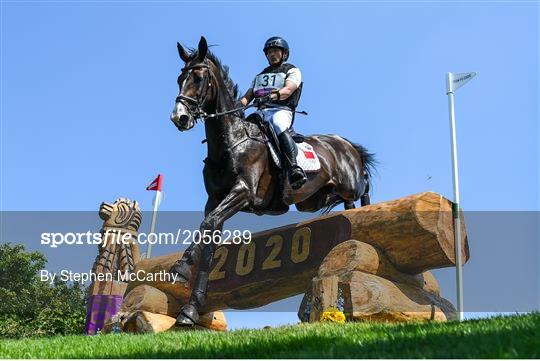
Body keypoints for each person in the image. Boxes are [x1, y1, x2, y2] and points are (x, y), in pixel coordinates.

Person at [239, 36, 307, 190]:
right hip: (261, 113)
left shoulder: (291, 70)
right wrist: (236, 105)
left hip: (280, 110)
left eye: (275, 50)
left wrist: (273, 95)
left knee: (277, 124)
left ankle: (294, 169)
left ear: (284, 54)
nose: (272, 54)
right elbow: (247, 97)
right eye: (269, 52)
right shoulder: (259, 76)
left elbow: (289, 89)